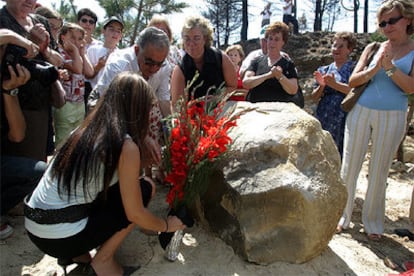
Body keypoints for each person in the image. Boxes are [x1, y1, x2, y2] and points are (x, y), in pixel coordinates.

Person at [24, 72, 186, 276]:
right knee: (145, 188)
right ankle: (103, 262)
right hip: (61, 236)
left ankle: (77, 255)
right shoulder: (125, 145)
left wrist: (143, 159)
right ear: (138, 110)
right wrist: (166, 225)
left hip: (35, 226)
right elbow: (134, 212)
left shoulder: (86, 129)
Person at [336, 0, 414, 241]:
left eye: (392, 20)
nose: (387, 26)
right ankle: (341, 216)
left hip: (393, 114)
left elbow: (410, 87)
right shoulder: (372, 48)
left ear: (408, 20)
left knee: (379, 170)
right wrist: (374, 68)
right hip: (361, 110)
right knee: (349, 166)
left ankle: (373, 223)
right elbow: (353, 81)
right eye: (382, 23)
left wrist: (389, 67)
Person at [0, 0, 64, 161]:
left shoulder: (40, 22)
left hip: (41, 107)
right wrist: (25, 39)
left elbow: (58, 60)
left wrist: (44, 50)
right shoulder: (2, 19)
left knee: (36, 164)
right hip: (9, 105)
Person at [0, 29, 47, 240]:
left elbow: (18, 135)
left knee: (38, 172)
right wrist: (13, 37)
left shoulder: (6, 80)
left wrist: (10, 91)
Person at [170, 15, 237, 107]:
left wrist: (218, 97)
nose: (191, 43)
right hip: (194, 116)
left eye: (196, 38)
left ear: (205, 39)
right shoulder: (180, 69)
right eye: (187, 39)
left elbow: (233, 86)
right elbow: (177, 105)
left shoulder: (221, 58)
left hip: (222, 109)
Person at [311, 32, 357, 159]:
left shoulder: (354, 69)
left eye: (341, 46)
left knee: (342, 151)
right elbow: (314, 97)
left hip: (345, 115)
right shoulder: (324, 70)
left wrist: (334, 84)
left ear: (349, 49)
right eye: (334, 45)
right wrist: (322, 85)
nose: (336, 49)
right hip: (324, 115)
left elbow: (356, 92)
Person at [54, 22, 94, 147]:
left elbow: (89, 72)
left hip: (79, 103)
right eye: (72, 38)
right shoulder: (59, 53)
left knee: (75, 142)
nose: (76, 41)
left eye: (80, 39)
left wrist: (82, 53)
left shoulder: (79, 55)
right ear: (63, 37)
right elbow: (77, 69)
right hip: (66, 104)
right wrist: (76, 51)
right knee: (63, 141)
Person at [242, 21, 299, 104]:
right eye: (270, 38)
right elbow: (246, 83)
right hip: (256, 109)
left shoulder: (288, 64)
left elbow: (293, 90)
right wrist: (267, 76)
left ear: (283, 42)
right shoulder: (256, 61)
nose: (272, 43)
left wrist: (280, 76)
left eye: (276, 39)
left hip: (279, 111)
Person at [87, 16, 124, 91]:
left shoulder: (123, 55)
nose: (115, 33)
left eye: (118, 31)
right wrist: (98, 66)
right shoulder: (92, 50)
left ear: (121, 36)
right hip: (92, 93)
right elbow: (86, 76)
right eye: (111, 29)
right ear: (103, 31)